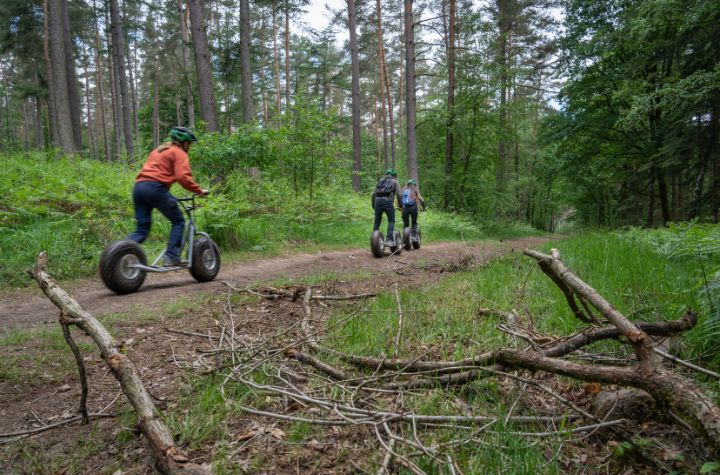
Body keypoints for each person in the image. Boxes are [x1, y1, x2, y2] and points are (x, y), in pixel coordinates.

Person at [126, 126, 208, 266]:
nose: (190, 147)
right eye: (190, 144)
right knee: (179, 221)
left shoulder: (160, 149)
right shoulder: (179, 152)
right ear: (185, 143)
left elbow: (155, 171)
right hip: (155, 188)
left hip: (139, 187)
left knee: (141, 230)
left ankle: (118, 252)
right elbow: (183, 177)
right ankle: (171, 257)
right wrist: (199, 190)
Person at [371, 168, 403, 246]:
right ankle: (388, 239)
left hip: (377, 202)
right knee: (391, 220)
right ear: (394, 176)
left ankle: (374, 240)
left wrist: (374, 205)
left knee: (377, 221)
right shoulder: (395, 181)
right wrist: (401, 206)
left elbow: (374, 194)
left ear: (386, 174)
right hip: (388, 202)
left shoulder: (380, 181)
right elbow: (399, 195)